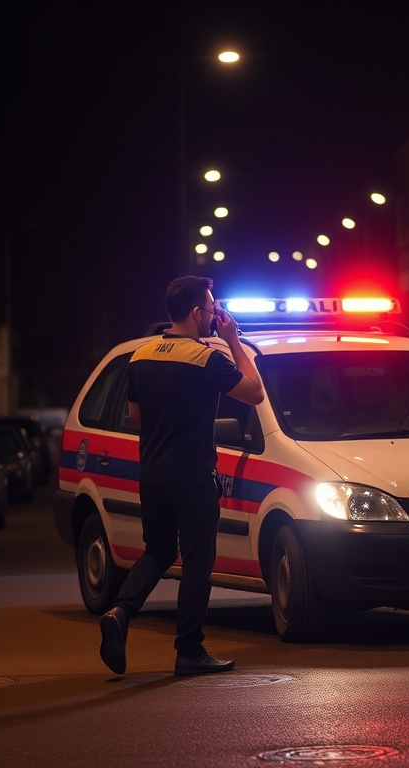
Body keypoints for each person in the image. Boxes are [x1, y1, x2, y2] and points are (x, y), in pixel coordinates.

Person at [99, 276, 265, 676]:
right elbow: (255, 392)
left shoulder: (141, 356)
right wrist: (234, 339)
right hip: (193, 475)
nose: (213, 316)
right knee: (196, 563)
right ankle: (189, 650)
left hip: (152, 475)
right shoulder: (207, 358)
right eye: (210, 309)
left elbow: (137, 418)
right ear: (196, 312)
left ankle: (121, 611)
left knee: (156, 551)